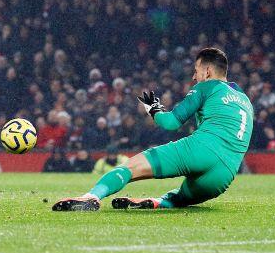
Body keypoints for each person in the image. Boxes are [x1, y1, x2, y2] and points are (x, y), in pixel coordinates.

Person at [53, 48, 254, 211]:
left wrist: (153, 108)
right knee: (179, 199)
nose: (194, 76)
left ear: (208, 71)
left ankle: (91, 197)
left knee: (129, 168)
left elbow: (171, 123)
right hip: (224, 174)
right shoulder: (244, 99)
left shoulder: (206, 87)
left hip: (202, 149)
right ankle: (159, 202)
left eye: (196, 70)